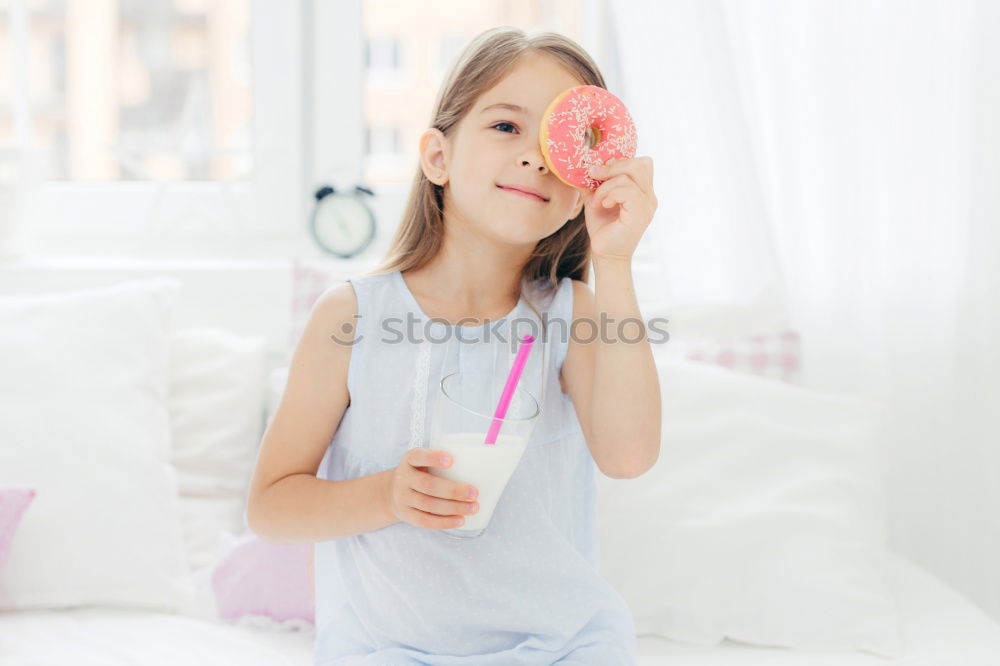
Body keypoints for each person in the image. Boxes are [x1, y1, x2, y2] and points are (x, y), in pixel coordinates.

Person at [247, 25, 661, 665]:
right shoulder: (351, 317)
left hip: (561, 647)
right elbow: (271, 507)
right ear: (437, 156)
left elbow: (629, 456)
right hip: (387, 651)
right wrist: (386, 496)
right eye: (506, 127)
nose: (537, 157)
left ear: (583, 185)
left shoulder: (573, 313)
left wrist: (616, 263)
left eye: (564, 141)